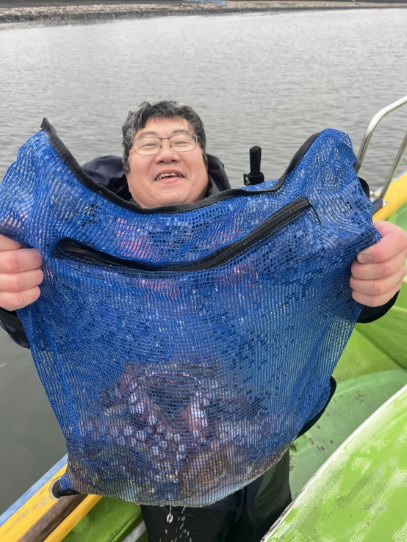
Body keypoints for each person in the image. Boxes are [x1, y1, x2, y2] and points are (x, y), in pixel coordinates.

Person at [0, 101, 406, 542]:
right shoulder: (83, 254)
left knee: (270, 521)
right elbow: (41, 324)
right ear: (128, 174)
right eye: (148, 145)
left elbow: (334, 281)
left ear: (204, 161)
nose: (166, 152)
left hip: (263, 441)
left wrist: (375, 279)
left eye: (182, 141)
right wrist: (12, 293)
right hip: (164, 471)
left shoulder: (262, 230)